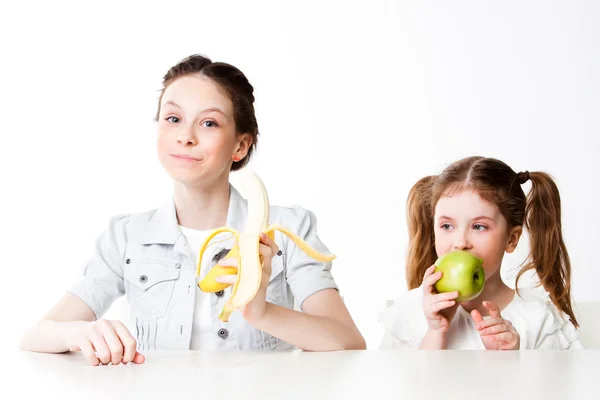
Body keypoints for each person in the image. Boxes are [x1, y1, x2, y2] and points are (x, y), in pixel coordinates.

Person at [19, 54, 365, 365]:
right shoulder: (125, 236)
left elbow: (348, 341)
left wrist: (260, 311)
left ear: (240, 146)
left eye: (209, 123)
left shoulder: (288, 227)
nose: (185, 136)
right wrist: (76, 334)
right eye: (173, 118)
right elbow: (35, 336)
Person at [378, 156, 582, 350]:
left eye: (478, 227)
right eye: (447, 226)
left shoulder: (538, 319)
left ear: (511, 239)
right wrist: (435, 333)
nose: (460, 243)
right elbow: (398, 384)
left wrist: (511, 360)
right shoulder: (409, 313)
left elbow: (561, 386)